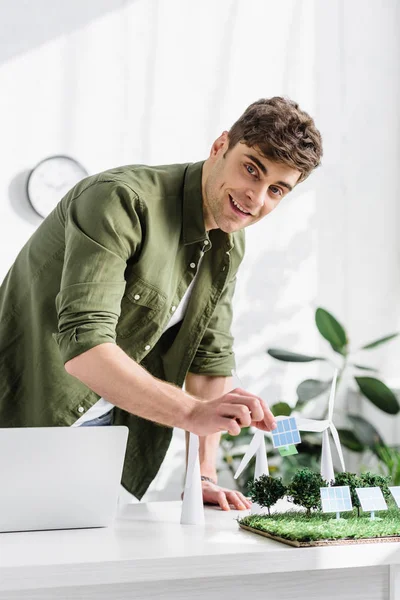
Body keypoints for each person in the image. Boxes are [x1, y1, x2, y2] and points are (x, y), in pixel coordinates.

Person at [0, 97, 322, 511]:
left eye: (276, 189)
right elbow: (84, 347)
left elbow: (210, 358)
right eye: (251, 168)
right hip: (19, 416)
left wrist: (201, 475)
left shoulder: (230, 241)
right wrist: (191, 412)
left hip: (101, 435)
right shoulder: (120, 200)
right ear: (220, 146)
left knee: (83, 569)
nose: (255, 197)